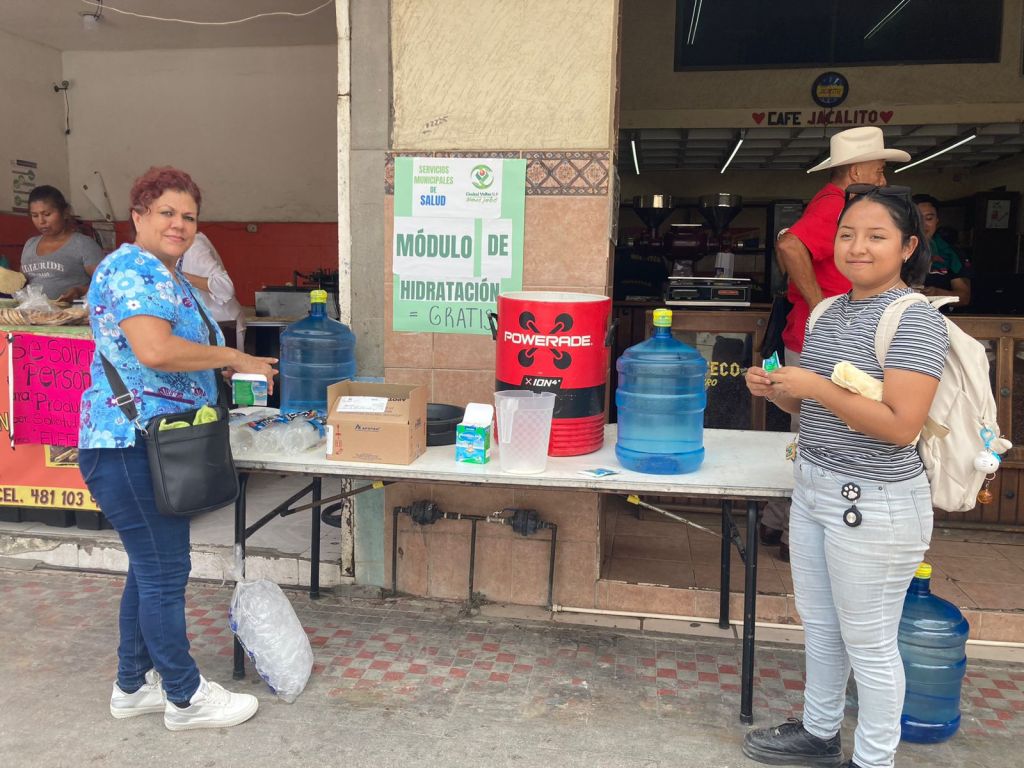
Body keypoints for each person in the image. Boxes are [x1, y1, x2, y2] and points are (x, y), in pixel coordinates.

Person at [743, 185, 948, 768]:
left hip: (877, 502)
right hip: (813, 490)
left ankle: (873, 759)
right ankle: (819, 731)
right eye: (847, 235)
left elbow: (901, 426)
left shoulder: (916, 320)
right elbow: (816, 409)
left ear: (908, 246)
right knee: (822, 626)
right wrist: (780, 391)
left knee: (872, 643)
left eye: (876, 236)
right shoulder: (829, 311)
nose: (857, 247)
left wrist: (814, 386)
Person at [77, 166, 277, 730]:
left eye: (188, 216)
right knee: (165, 570)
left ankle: (132, 685)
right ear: (137, 217)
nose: (179, 223)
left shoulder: (168, 275)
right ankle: (186, 698)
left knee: (149, 570)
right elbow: (157, 351)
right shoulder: (132, 269)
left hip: (153, 444)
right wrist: (234, 359)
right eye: (166, 212)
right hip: (127, 445)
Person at [761, 127, 911, 561]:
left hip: (817, 334)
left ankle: (775, 521)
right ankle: (794, 535)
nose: (882, 181)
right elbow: (790, 244)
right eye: (879, 171)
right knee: (815, 434)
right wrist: (820, 304)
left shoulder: (835, 203)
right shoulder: (835, 203)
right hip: (819, 337)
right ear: (858, 170)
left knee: (807, 428)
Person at [20, 185, 104, 301]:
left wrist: (80, 291)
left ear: (65, 212)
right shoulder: (30, 245)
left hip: (70, 316)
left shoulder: (84, 245)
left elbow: (106, 284)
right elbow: (21, 282)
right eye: (35, 216)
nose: (41, 221)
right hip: (32, 315)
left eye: (47, 214)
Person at [181, 232, 246, 349]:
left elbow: (225, 287)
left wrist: (179, 276)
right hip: (201, 325)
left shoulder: (193, 247)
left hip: (223, 325)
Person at [913, 194, 971, 308]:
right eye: (917, 219)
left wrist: (938, 293)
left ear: (937, 221)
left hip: (941, 319)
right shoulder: (893, 251)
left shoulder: (952, 254)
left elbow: (964, 297)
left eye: (929, 218)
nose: (923, 224)